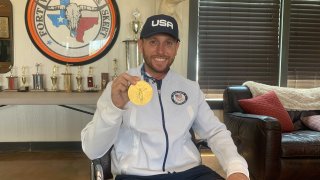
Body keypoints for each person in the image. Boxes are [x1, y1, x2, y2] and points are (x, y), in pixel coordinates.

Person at [81, 14, 249, 180]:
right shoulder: (118, 89)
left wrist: (236, 167)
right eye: (153, 42)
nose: (160, 50)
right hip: (138, 175)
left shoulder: (190, 89)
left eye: (168, 43)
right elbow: (92, 149)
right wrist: (114, 108)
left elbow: (215, 132)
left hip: (191, 173)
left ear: (176, 47)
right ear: (141, 45)